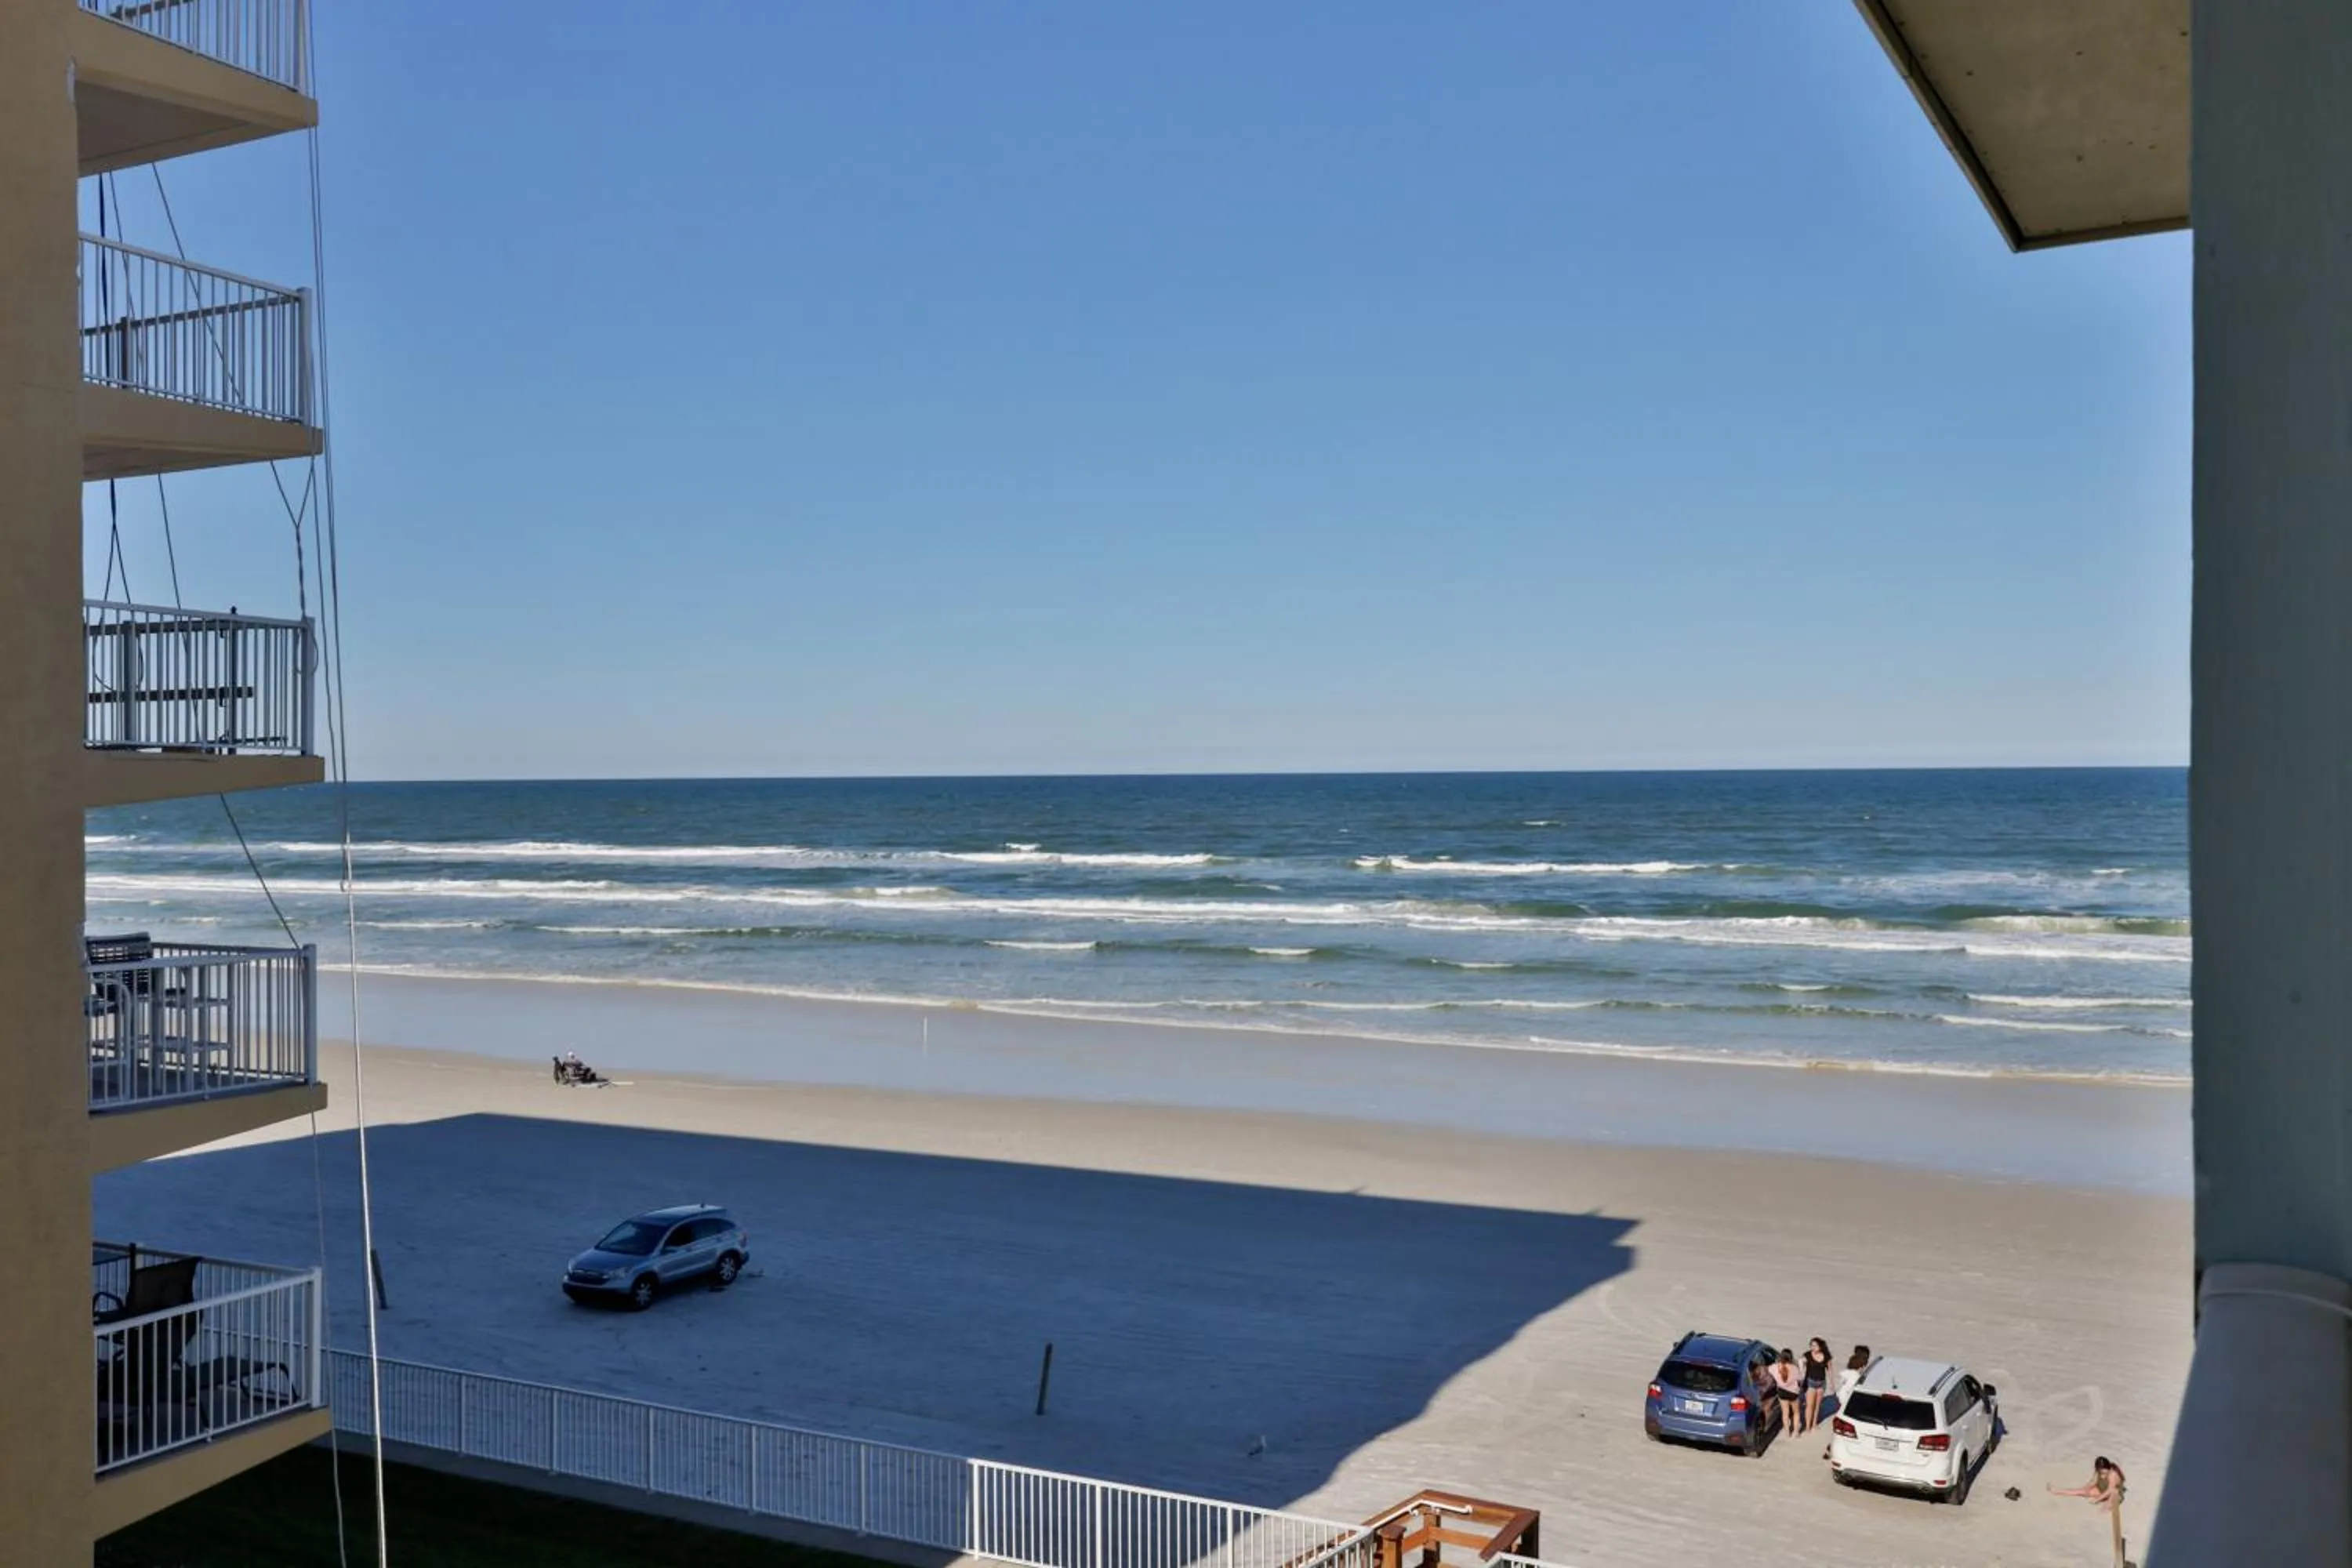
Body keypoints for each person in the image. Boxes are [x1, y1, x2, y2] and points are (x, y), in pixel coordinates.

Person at [2050, 1457, 2128, 1564]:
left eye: (2104, 1472)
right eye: (2101, 1472)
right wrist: (2086, 1489)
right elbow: (2093, 1482)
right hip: (2102, 1489)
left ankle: (2105, 1507)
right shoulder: (2098, 1473)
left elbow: (2110, 1489)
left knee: (2111, 1498)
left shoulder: (2112, 1474)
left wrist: (2098, 1499)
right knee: (2082, 1492)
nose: (2102, 1475)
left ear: (2109, 1468)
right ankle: (2059, 1491)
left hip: (2114, 1493)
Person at [1801, 1338, 1832, 1432]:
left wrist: (1832, 1383)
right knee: (1810, 1406)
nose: (1813, 1348)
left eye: (1815, 1346)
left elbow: (1830, 1370)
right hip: (1811, 1382)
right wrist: (1802, 1367)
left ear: (1820, 1346)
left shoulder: (1826, 1356)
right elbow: (1801, 1362)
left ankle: (1814, 1424)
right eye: (1812, 1345)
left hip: (1822, 1383)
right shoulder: (1807, 1355)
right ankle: (1808, 1427)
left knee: (1817, 1406)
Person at [1771, 1348, 1803, 1433]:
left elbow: (1768, 1370)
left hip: (1782, 1392)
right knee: (1796, 1413)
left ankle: (1787, 1432)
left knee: (1785, 1413)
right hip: (1793, 1393)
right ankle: (1796, 1433)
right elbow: (1800, 1379)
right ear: (1791, 1358)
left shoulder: (1775, 1367)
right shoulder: (1794, 1368)